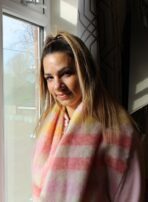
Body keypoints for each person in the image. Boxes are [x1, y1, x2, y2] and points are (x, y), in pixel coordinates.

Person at [32, 31, 144, 202]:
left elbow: (131, 197)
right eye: (49, 78)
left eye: (66, 73)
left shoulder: (118, 130)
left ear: (85, 71)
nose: (57, 86)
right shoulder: (49, 126)